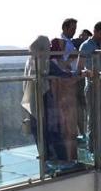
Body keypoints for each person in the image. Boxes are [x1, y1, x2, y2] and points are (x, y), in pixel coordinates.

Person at [21, 35, 73, 166]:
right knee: (52, 128)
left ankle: (45, 157)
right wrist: (80, 73)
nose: (50, 49)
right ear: (42, 47)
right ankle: (59, 159)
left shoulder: (30, 60)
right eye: (48, 47)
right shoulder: (44, 62)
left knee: (38, 129)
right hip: (42, 96)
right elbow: (62, 73)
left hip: (30, 99)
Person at [79, 21, 101, 156]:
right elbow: (80, 66)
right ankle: (93, 147)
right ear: (95, 31)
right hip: (92, 85)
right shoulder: (86, 45)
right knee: (94, 118)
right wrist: (89, 72)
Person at [50, 18, 81, 161]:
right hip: (64, 85)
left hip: (71, 83)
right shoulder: (58, 42)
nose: (74, 30)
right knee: (66, 123)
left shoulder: (68, 43)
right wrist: (71, 61)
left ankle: (72, 155)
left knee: (71, 123)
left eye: (75, 28)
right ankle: (67, 157)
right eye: (72, 28)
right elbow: (59, 65)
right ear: (65, 28)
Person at [73, 29, 93, 143]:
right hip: (76, 81)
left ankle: (87, 133)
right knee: (78, 108)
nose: (82, 38)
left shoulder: (89, 47)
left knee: (86, 107)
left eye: (85, 37)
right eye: (81, 36)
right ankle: (81, 132)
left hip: (84, 80)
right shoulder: (75, 45)